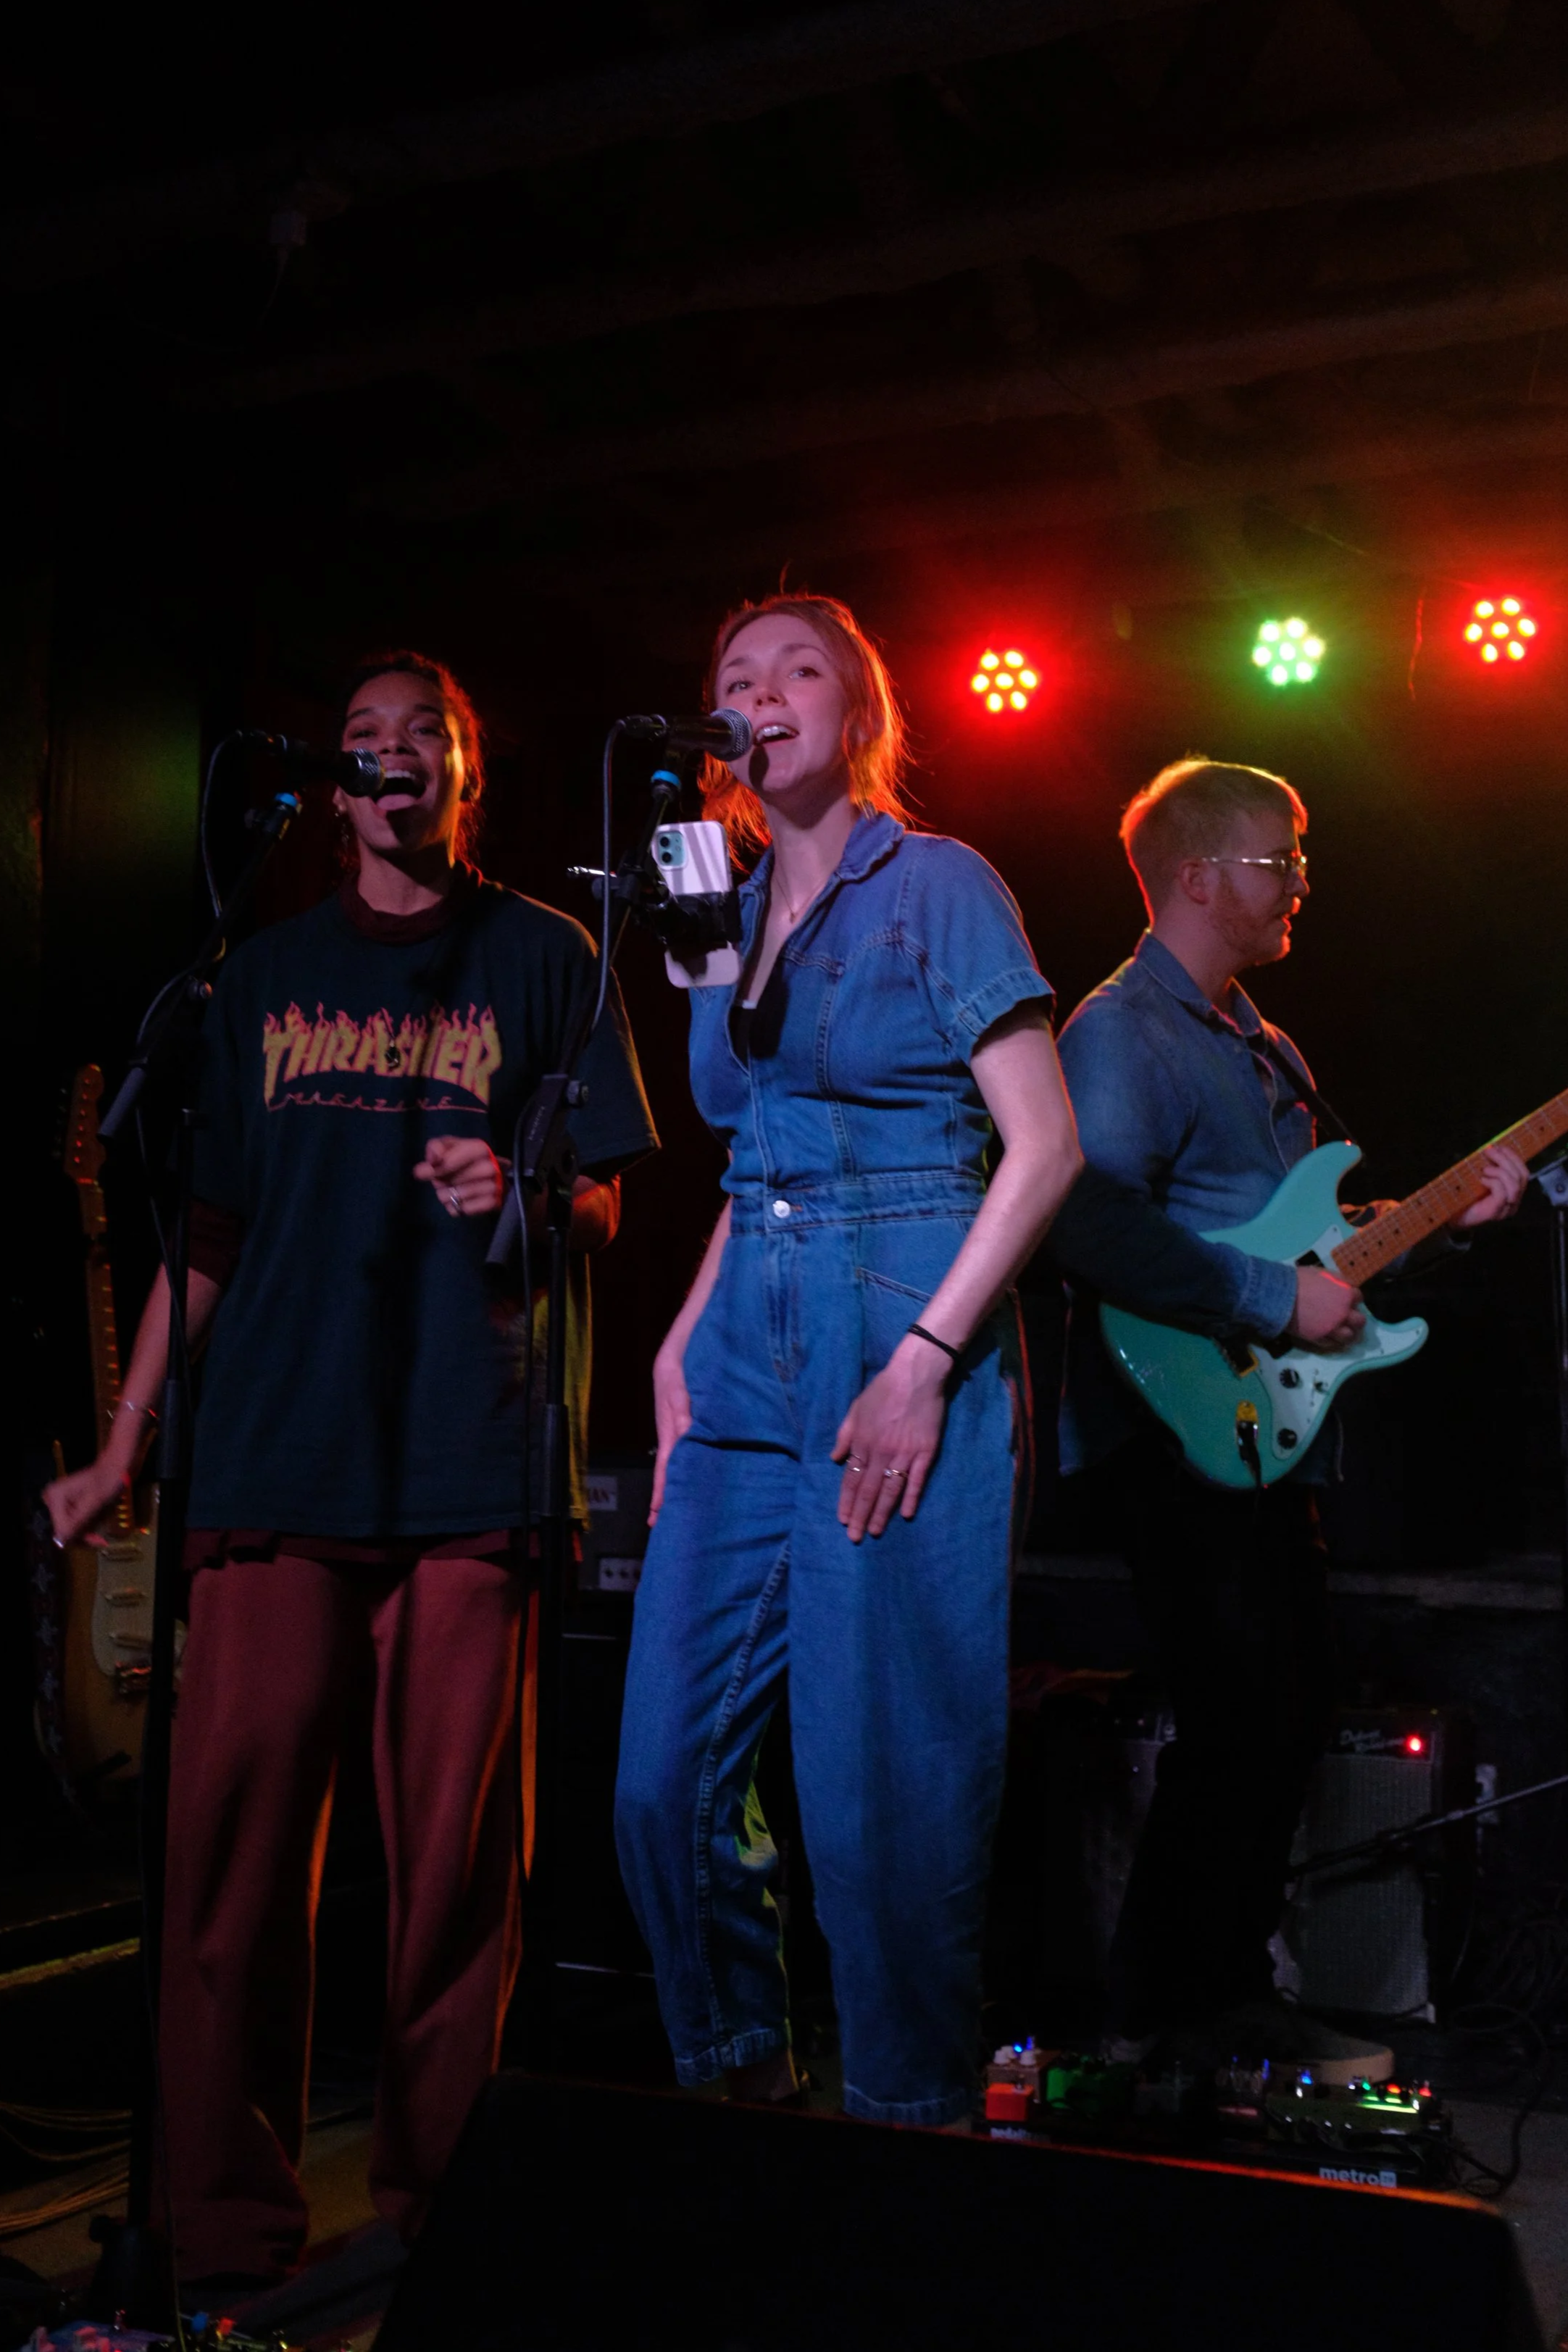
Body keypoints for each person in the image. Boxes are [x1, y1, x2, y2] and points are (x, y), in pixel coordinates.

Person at [46, 651, 656, 2293]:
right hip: (273, 1457)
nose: (394, 757)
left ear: (467, 773)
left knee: (453, 1869)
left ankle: (443, 2205)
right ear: (333, 787)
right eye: (364, 740)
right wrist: (124, 1442)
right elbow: (209, 1239)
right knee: (229, 1864)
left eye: (425, 736)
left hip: (471, 1456)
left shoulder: (546, 955)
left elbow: (605, 1198)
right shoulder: (255, 976)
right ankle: (217, 2219)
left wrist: (521, 1196)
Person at [613, 593, 1083, 2127]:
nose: (761, 691)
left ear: (859, 712)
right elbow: (748, 1149)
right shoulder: (721, 901)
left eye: (797, 668)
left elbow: (1045, 1146)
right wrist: (684, 1334)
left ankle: (904, 2130)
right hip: (745, 1339)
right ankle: (747, 2092)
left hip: (898, 1316)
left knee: (885, 1800)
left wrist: (928, 1359)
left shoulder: (936, 882)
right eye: (734, 674)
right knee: (661, 1783)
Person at [1049, 756, 1526, 2078]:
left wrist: (1443, 1222)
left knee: (1282, 1705)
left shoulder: (1268, 1046)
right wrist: (1270, 1297)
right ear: (1199, 876)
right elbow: (1089, 1221)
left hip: (1262, 1430)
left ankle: (1212, 2001)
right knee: (1241, 1709)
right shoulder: (1119, 1032)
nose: (1302, 880)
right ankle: (1168, 2011)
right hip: (1174, 1421)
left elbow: (1317, 1255)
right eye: (1281, 858)